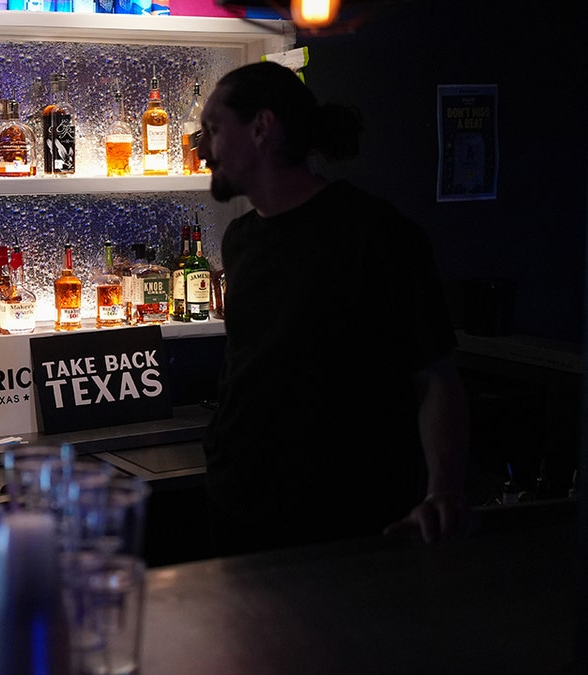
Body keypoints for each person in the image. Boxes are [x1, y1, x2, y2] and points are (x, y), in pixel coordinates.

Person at [198, 61, 470, 556]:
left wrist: (442, 491)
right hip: (241, 505)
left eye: (214, 130)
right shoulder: (240, 238)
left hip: (345, 514)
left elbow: (435, 375)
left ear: (261, 128)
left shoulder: (376, 234)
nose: (202, 149)